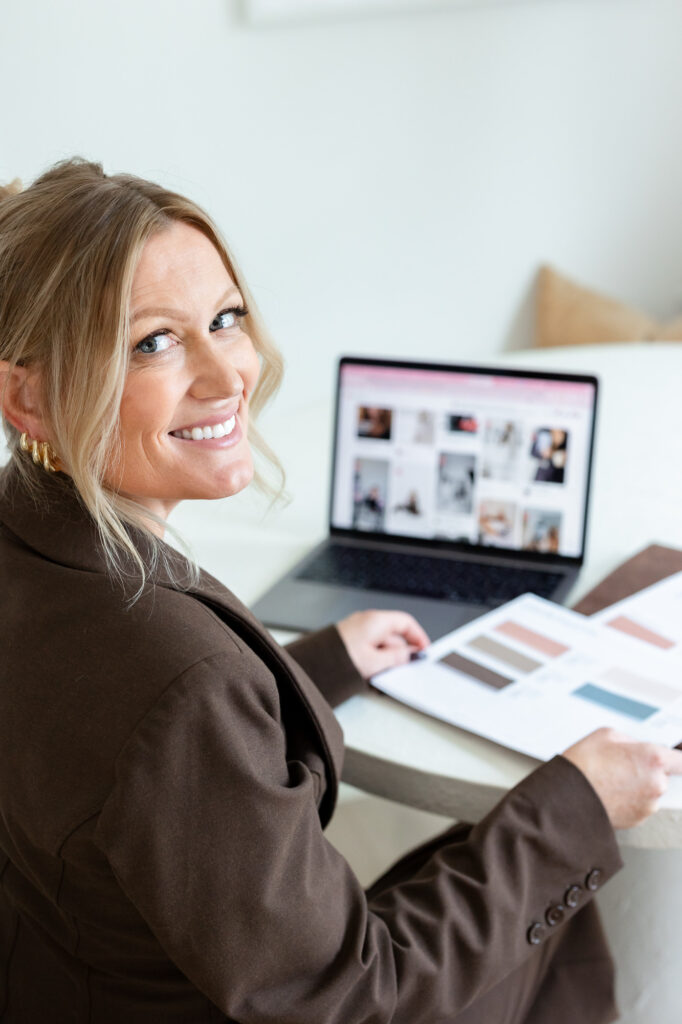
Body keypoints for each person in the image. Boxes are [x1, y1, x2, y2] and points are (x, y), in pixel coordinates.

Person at [1, 160, 680, 1024]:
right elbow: (351, 999)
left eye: (225, 319)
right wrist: (578, 805)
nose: (225, 376)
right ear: (30, 395)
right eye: (153, 342)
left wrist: (310, 669)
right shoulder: (182, 684)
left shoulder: (27, 544)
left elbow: (136, 761)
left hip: (62, 978)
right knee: (548, 884)